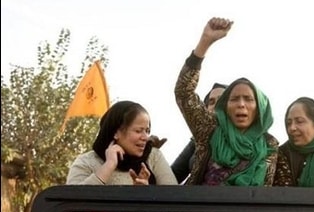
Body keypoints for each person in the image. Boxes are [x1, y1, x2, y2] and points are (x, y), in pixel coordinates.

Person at [174, 17, 278, 186]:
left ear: (259, 108)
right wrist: (205, 43)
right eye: (234, 99)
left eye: (249, 99)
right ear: (225, 108)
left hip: (246, 211)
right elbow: (184, 92)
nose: (241, 104)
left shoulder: (269, 144)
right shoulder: (209, 129)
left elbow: (266, 188)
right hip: (201, 209)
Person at [66, 100, 177, 186]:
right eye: (138, 131)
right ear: (116, 132)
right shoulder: (87, 162)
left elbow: (176, 200)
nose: (145, 137)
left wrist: (146, 194)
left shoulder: (154, 157)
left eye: (147, 131)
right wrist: (109, 165)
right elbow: (70, 203)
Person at [171, 82, 227, 184]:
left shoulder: (252, 139)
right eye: (211, 102)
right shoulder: (199, 139)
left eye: (222, 100)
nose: (216, 105)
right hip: (194, 197)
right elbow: (173, 176)